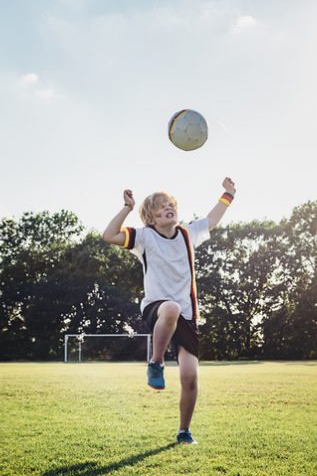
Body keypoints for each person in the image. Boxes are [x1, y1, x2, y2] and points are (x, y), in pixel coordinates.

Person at [101, 177, 236, 445]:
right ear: (151, 218)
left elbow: (212, 219)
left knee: (190, 376)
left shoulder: (187, 233)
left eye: (171, 204)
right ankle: (156, 362)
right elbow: (108, 235)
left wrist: (228, 195)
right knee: (170, 308)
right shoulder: (144, 237)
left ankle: (184, 431)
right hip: (157, 308)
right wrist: (127, 208)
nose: (168, 208)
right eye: (161, 207)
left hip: (187, 315)